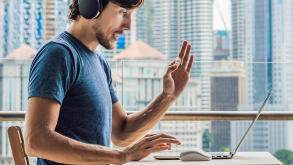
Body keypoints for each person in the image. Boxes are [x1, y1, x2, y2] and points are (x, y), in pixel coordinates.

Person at [24, 0, 194, 164]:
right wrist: (120, 157)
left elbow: (121, 133)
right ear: (91, 5)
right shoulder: (58, 54)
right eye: (123, 13)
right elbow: (36, 140)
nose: (128, 26)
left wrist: (168, 96)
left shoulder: (99, 60)